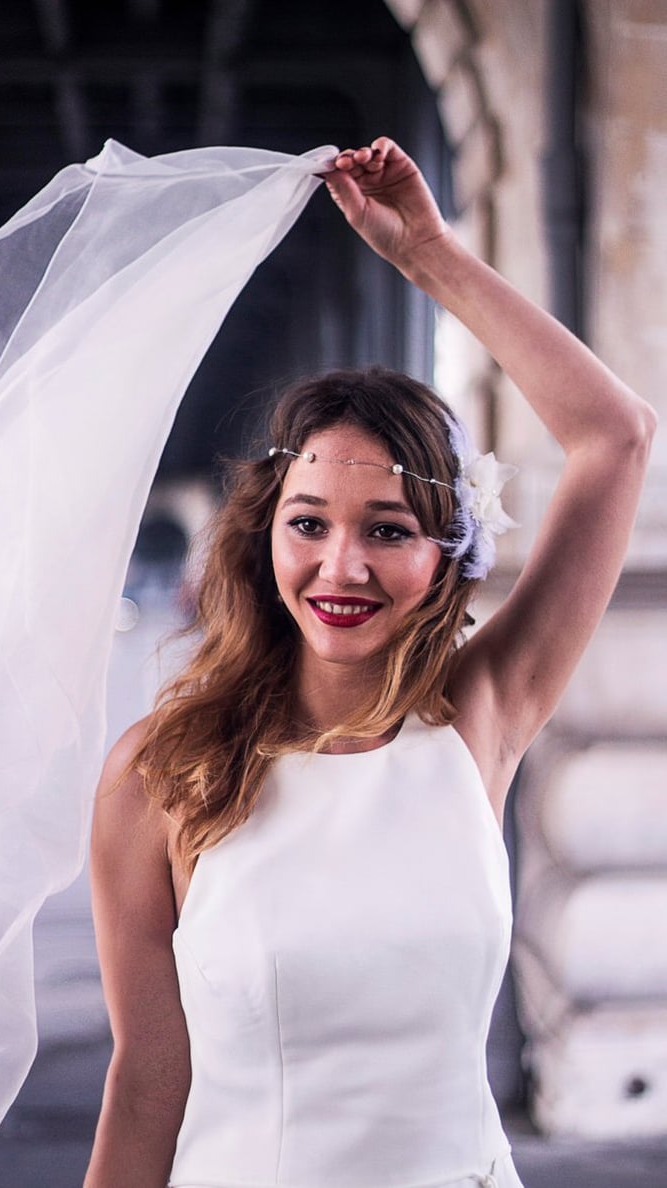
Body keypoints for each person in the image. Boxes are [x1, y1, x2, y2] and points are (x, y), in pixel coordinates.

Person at [83, 138, 656, 1188]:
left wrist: (429, 252)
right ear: (264, 536)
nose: (339, 566)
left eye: (388, 529)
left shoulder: (487, 711)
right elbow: (146, 1086)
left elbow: (615, 436)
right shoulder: (158, 774)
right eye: (309, 522)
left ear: (445, 556)